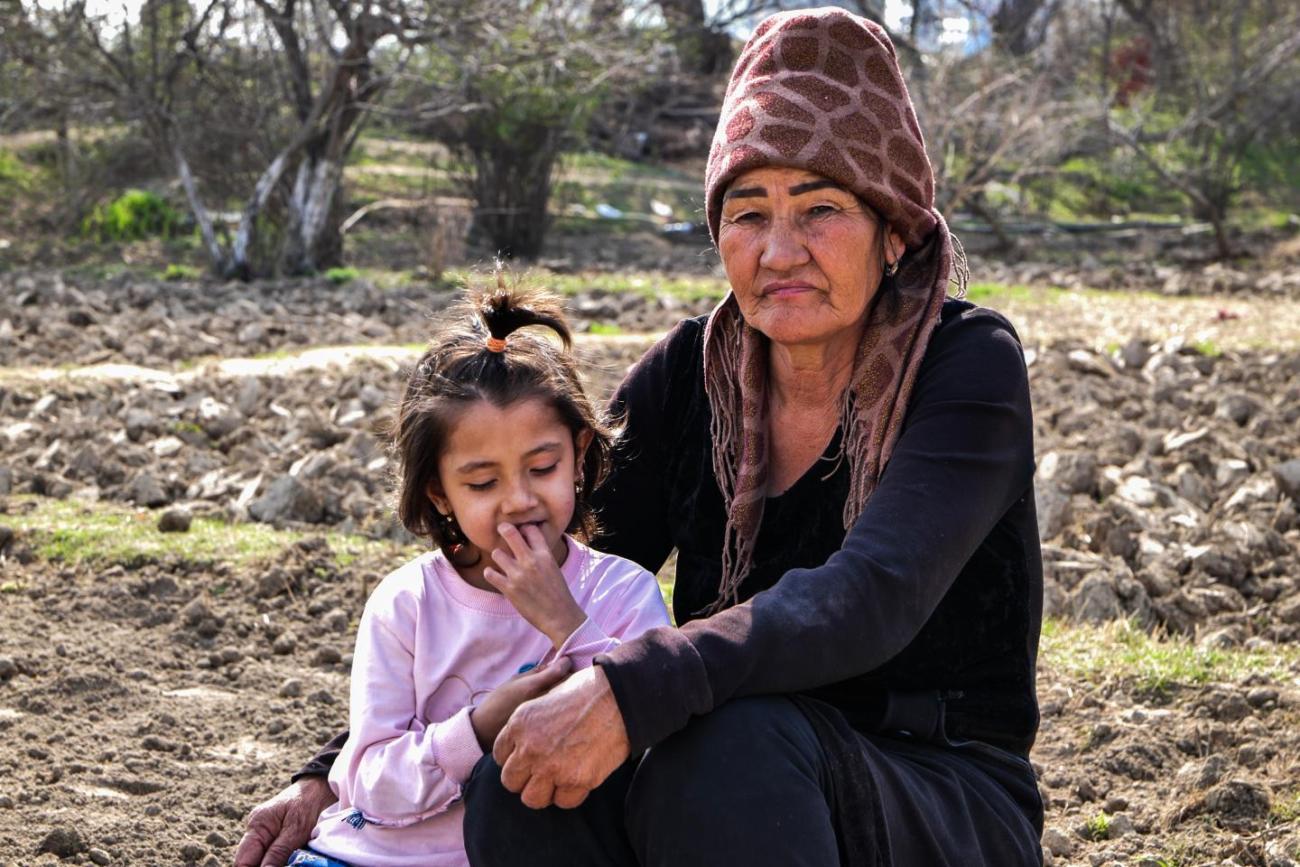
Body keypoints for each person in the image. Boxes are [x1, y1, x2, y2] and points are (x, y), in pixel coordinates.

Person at [237, 8, 1044, 867]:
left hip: (931, 789)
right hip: (720, 765)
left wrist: (634, 686)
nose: (779, 251)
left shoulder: (964, 367)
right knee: (525, 773)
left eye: (821, 208)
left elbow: (873, 592)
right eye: (747, 212)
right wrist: (332, 769)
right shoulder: (692, 374)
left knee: (729, 745)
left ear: (892, 229)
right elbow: (533, 556)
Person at [281, 285, 671, 867]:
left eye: (543, 467)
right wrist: (478, 729)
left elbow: (649, 747)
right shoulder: (405, 605)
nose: (518, 500)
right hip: (358, 856)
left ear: (580, 451)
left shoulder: (621, 593)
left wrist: (568, 623)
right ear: (439, 493)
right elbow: (366, 783)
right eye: (482, 483)